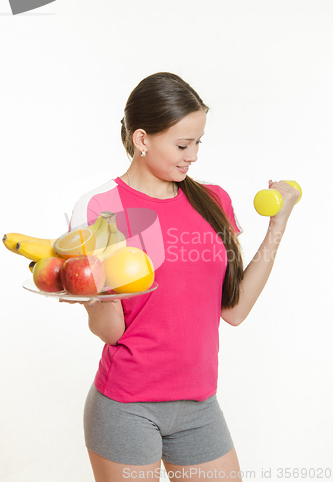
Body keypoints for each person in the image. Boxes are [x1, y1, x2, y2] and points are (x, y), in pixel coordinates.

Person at [65, 72, 300, 482]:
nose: (192, 156)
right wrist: (93, 293)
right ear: (142, 140)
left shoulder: (212, 199)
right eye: (182, 144)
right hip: (126, 406)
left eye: (198, 143)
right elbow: (110, 331)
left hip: (199, 406)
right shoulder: (102, 207)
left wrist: (278, 224)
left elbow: (236, 309)